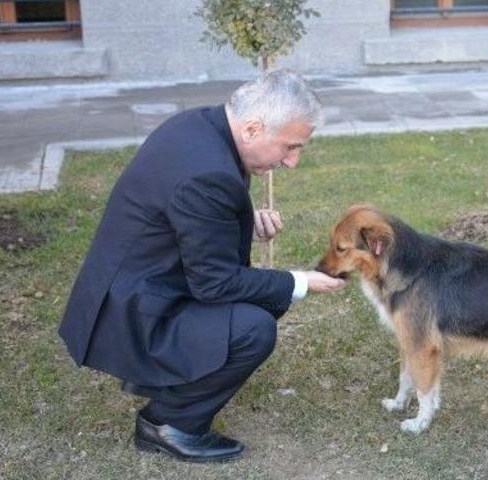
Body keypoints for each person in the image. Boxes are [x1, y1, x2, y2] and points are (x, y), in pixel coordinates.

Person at [58, 70, 346, 463]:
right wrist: (299, 282)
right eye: (290, 146)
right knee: (252, 327)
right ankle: (168, 424)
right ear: (252, 128)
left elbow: (186, 219)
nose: (292, 162)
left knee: (255, 304)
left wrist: (241, 221)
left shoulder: (199, 126)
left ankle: (173, 395)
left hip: (136, 286)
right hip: (134, 315)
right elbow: (215, 284)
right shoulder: (207, 172)